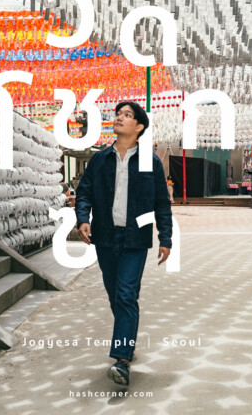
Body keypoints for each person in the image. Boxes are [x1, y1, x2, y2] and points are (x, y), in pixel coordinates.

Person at [75, 101, 173, 386]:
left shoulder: (149, 161)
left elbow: (161, 204)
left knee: (126, 295)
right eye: (118, 114)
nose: (119, 118)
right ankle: (127, 342)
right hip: (105, 236)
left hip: (135, 238)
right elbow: (85, 192)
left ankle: (122, 359)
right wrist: (83, 218)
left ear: (139, 127)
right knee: (116, 296)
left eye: (127, 115)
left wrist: (165, 238)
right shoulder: (100, 160)